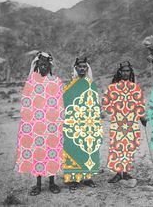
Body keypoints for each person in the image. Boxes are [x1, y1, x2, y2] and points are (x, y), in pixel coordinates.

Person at [15, 51, 64, 196]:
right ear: (37, 65)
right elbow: (26, 101)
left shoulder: (56, 81)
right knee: (38, 152)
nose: (43, 68)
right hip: (36, 126)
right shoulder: (32, 81)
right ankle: (37, 185)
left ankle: (52, 182)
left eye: (46, 65)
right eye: (41, 65)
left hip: (51, 126)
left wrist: (58, 122)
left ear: (50, 66)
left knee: (51, 152)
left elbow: (60, 103)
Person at [62, 57, 103, 192]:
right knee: (74, 149)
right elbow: (66, 103)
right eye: (79, 66)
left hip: (89, 122)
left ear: (87, 68)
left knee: (89, 149)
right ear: (75, 68)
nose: (82, 69)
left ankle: (87, 177)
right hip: (74, 123)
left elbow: (96, 104)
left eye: (84, 67)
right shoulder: (70, 84)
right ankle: (74, 178)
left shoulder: (91, 84)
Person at [102, 61, 146, 183]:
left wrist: (142, 118)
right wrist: (115, 110)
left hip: (131, 122)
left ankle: (125, 172)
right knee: (117, 146)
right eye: (124, 71)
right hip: (118, 122)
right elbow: (105, 103)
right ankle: (118, 173)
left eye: (128, 71)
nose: (126, 73)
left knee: (128, 146)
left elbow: (140, 105)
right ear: (120, 72)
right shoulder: (112, 88)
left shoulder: (135, 88)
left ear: (130, 72)